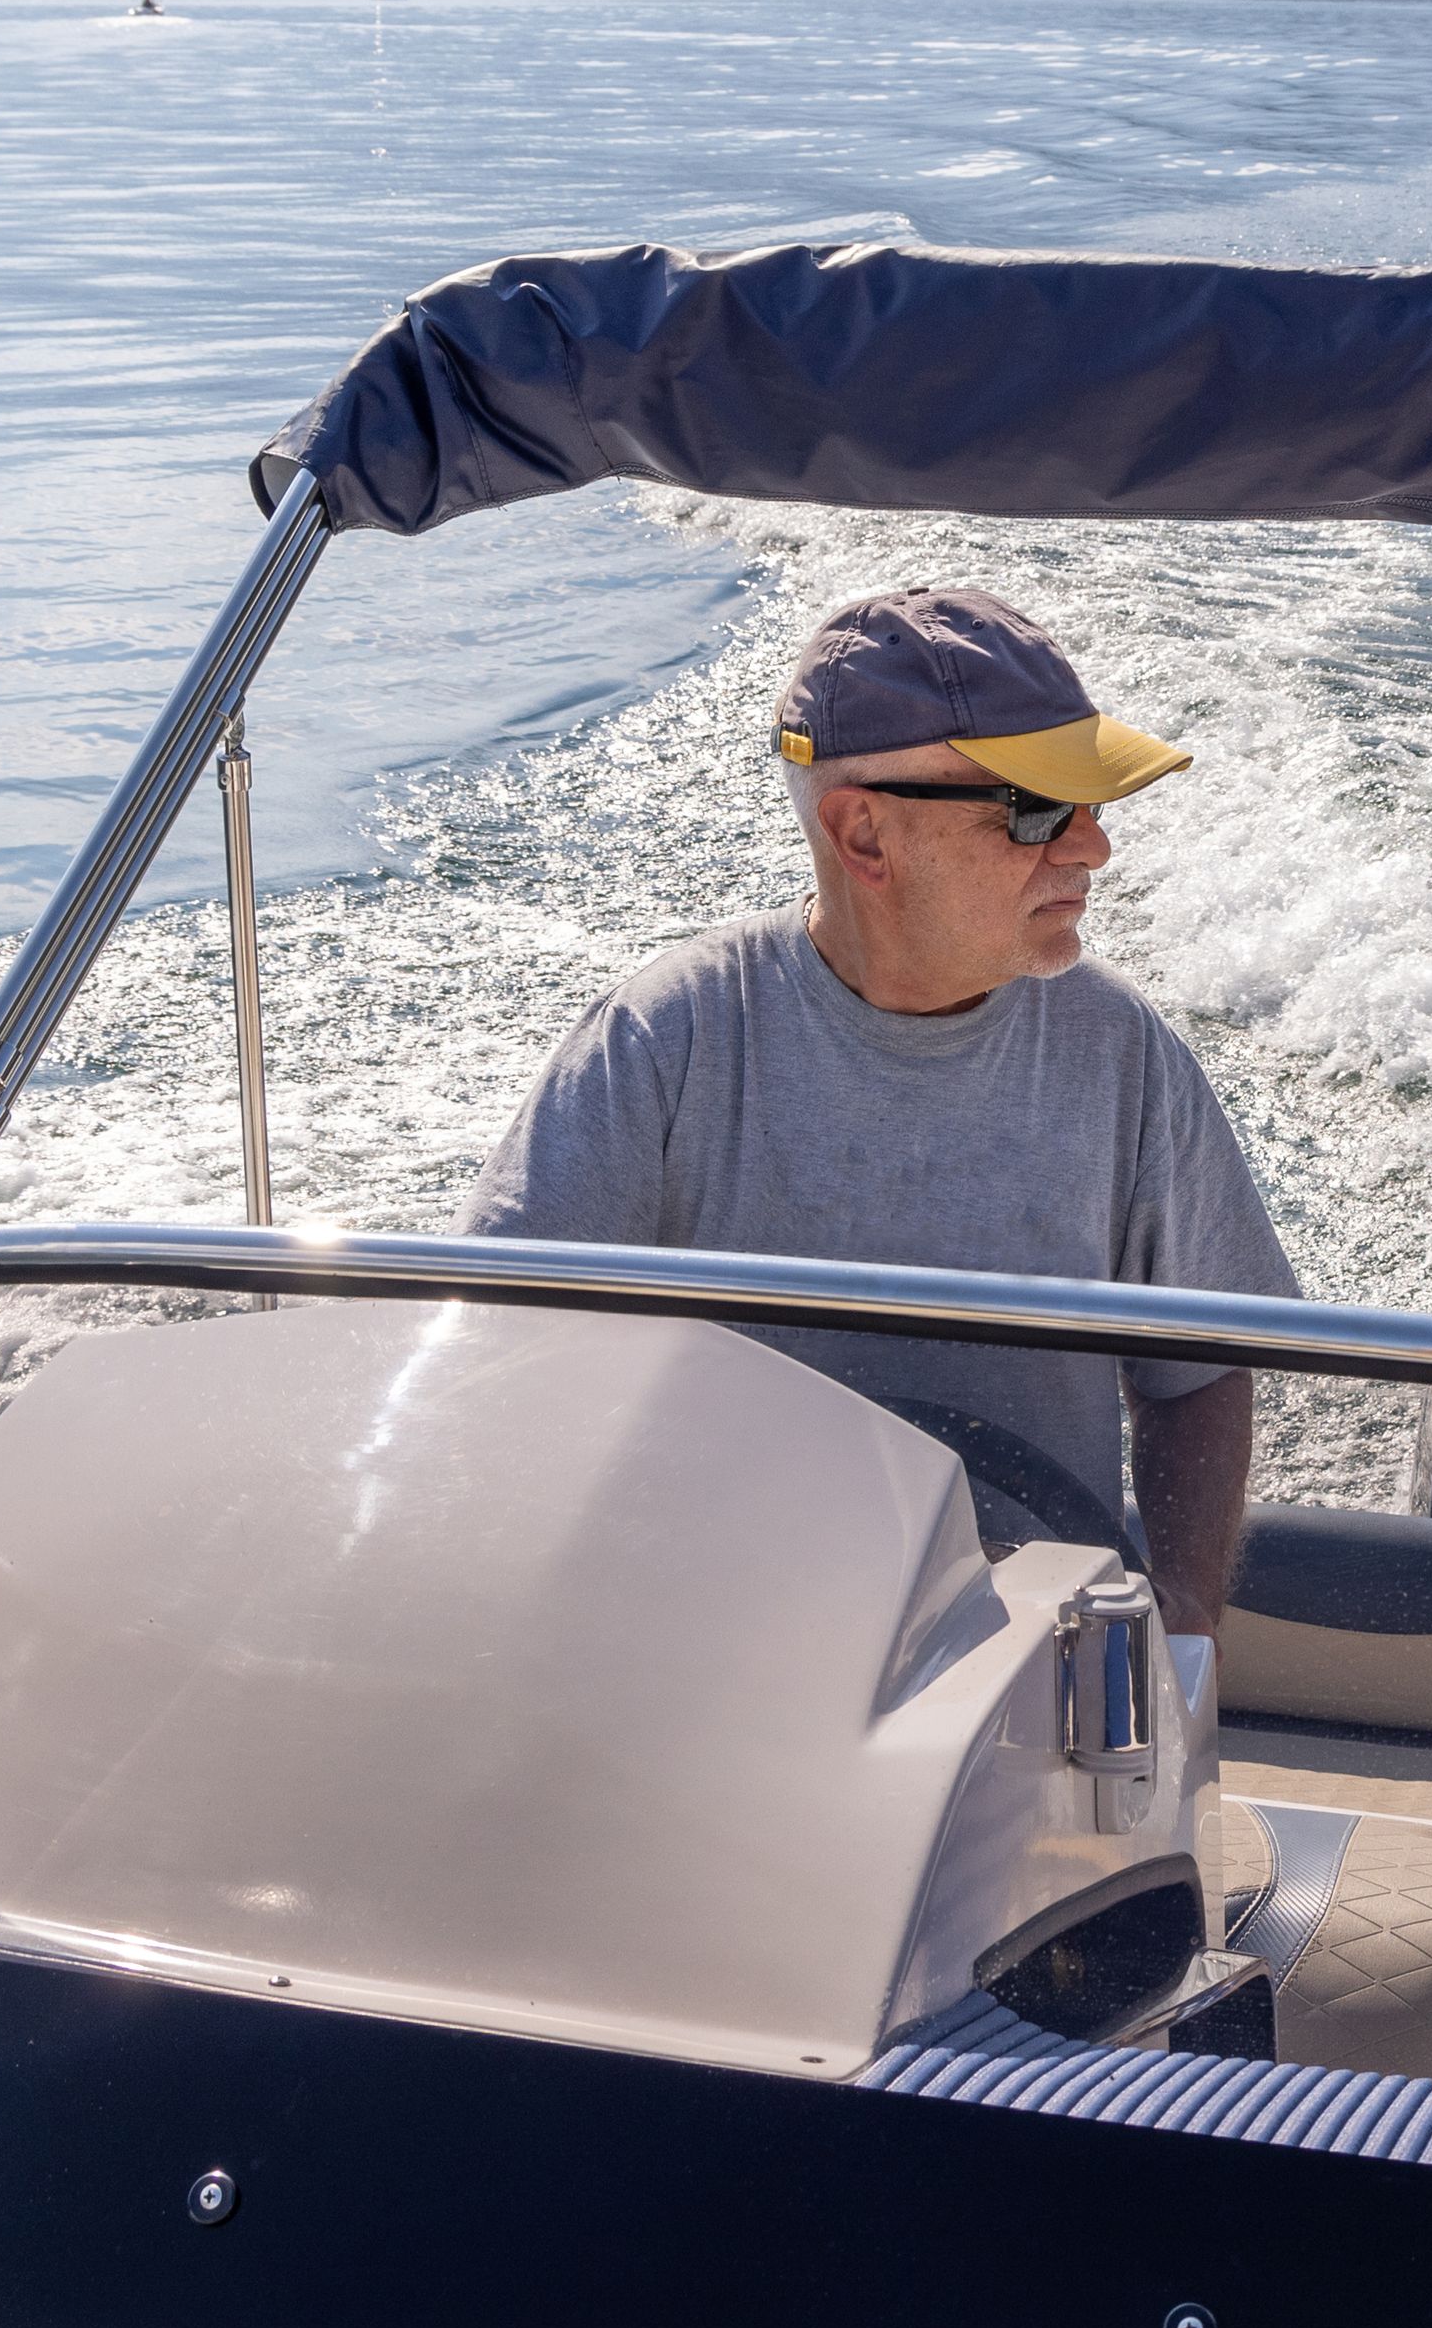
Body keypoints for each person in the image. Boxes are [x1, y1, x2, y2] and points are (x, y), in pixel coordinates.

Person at [463, 587, 1298, 1624]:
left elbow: (1196, 1375)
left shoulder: (1118, 1048)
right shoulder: (660, 1045)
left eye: (1092, 807)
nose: (1091, 850)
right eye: (1038, 809)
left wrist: (1178, 1631)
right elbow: (498, 1365)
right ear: (862, 834)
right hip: (720, 1649)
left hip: (1037, 1672)